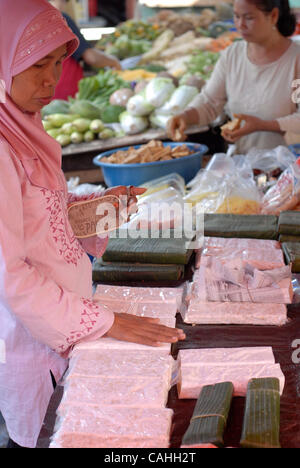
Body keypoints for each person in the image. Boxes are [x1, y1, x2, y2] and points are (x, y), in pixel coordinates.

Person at [0, 0, 186, 449]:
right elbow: (9, 273)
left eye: (57, 62)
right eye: (36, 65)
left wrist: (102, 208)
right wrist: (102, 322)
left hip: (62, 322)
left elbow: (44, 217)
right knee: (55, 433)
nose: (52, 79)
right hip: (34, 342)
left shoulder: (22, 127)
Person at [167, 0, 300, 154]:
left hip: (288, 168)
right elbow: (210, 102)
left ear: (274, 15)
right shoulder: (232, 56)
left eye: (249, 18)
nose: (240, 24)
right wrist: (185, 116)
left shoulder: (295, 61)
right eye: (236, 16)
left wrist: (263, 125)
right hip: (243, 166)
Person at [49, 0, 121, 100]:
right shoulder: (61, 18)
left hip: (49, 93)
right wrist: (113, 61)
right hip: (66, 94)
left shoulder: (35, 21)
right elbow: (91, 57)